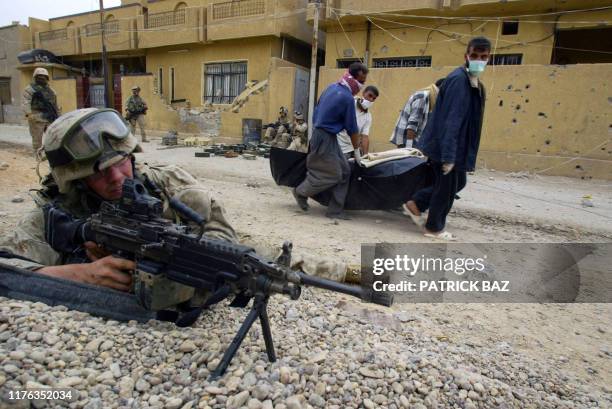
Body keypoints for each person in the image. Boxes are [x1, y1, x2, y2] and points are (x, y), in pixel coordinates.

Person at [0, 108, 351, 289]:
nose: (118, 178)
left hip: (189, 250)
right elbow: (8, 269)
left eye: (122, 163)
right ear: (74, 182)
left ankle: (397, 273)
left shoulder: (165, 182)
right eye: (99, 173)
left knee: (279, 260)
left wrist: (203, 260)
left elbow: (218, 230)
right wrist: (79, 274)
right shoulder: (53, 213)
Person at [403, 37, 489, 240]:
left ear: (489, 58)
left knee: (458, 183)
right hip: (447, 147)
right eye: (474, 55)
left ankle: (417, 203)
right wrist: (449, 156)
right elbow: (452, 120)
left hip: (452, 146)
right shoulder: (460, 81)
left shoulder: (470, 81)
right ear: (466, 55)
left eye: (483, 57)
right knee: (446, 188)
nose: (478, 60)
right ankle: (434, 228)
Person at [292, 62, 368, 220]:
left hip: (325, 134)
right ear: (353, 79)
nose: (362, 85)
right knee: (333, 173)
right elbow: (352, 129)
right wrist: (357, 152)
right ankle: (301, 191)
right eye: (361, 81)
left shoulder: (331, 87)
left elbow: (317, 109)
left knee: (346, 170)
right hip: (324, 136)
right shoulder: (347, 97)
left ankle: (335, 210)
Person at [389, 78, 445, 148]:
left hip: (416, 141)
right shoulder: (423, 97)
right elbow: (412, 125)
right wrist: (409, 148)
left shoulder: (431, 97)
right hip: (407, 141)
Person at [22, 67, 60, 154]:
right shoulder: (29, 89)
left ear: (47, 78)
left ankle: (51, 153)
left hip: (50, 117)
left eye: (44, 76)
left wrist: (58, 115)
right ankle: (38, 154)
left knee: (53, 136)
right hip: (37, 117)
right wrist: (29, 114)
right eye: (39, 76)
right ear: (35, 77)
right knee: (37, 139)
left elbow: (55, 104)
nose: (42, 78)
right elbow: (25, 102)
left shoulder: (51, 91)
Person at [337, 85, 379, 158]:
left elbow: (365, 137)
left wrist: (365, 156)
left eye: (373, 98)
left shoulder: (368, 116)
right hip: (337, 146)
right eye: (370, 95)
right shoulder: (350, 103)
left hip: (351, 149)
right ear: (363, 93)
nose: (371, 99)